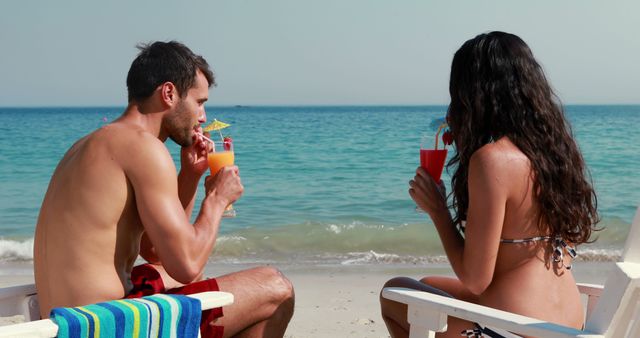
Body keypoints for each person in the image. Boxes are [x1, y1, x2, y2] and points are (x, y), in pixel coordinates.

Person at [34, 41, 294, 338]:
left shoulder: (86, 145)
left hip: (62, 324)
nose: (203, 117)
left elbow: (156, 253)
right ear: (169, 93)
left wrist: (190, 176)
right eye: (199, 102)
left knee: (167, 276)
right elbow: (186, 264)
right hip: (103, 326)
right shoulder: (145, 148)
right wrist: (217, 199)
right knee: (276, 287)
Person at [380, 31, 599, 337]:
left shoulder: (492, 160)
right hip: (566, 326)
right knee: (428, 284)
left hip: (512, 331)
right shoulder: (554, 154)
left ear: (473, 94)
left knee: (393, 293)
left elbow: (475, 280)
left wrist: (438, 212)